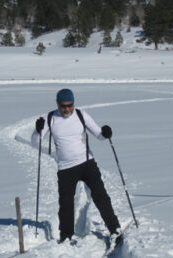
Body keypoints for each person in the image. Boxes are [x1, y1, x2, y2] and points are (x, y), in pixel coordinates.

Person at [32, 88, 121, 244]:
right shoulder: (50, 118)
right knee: (66, 203)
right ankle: (66, 237)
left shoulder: (81, 115)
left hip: (87, 163)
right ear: (57, 104)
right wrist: (37, 130)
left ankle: (115, 229)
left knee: (101, 196)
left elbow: (99, 135)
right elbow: (36, 143)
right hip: (65, 168)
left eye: (70, 105)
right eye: (63, 106)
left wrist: (106, 133)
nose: (67, 109)